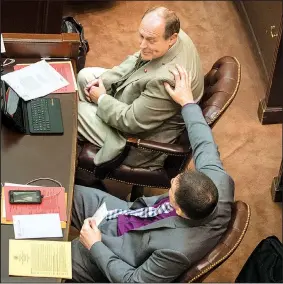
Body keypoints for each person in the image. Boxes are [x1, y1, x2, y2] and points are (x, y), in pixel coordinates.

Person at [70, 65, 235, 283]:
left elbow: (133, 281)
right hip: (126, 213)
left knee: (49, 260)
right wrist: (187, 102)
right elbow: (203, 141)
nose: (172, 180)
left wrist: (95, 245)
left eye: (172, 190)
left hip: (117, 251)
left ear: (178, 210)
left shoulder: (177, 251)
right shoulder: (218, 182)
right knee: (64, 197)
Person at [77, 6, 204, 170]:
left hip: (139, 143)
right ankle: (87, 133)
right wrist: (105, 80)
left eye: (150, 40)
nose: (142, 44)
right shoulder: (174, 36)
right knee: (85, 76)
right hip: (140, 98)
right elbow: (139, 58)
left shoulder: (168, 80)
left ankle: (84, 153)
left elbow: (131, 121)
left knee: (77, 111)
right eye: (141, 36)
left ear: (172, 38)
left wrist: (101, 99)